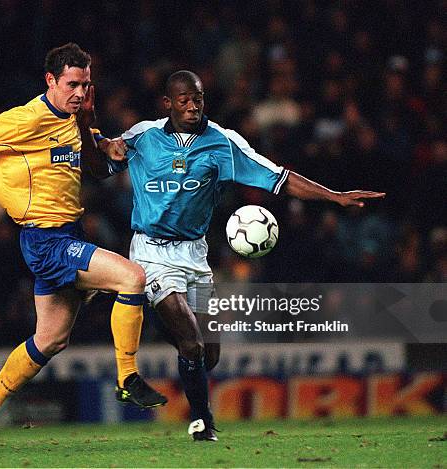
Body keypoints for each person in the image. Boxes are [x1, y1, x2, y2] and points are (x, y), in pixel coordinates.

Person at [102, 70, 385, 441]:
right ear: (167, 103)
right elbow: (102, 162)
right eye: (184, 99)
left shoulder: (223, 143)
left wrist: (334, 195)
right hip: (151, 253)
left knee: (209, 354)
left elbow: (279, 177)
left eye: (198, 98)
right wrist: (97, 137)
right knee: (190, 341)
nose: (192, 106)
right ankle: (202, 422)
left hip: (195, 257)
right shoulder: (142, 137)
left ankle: (164, 326)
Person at [0, 43, 166, 449]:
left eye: (86, 83)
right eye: (72, 84)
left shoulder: (71, 117)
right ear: (51, 81)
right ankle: (127, 377)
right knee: (132, 278)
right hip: (46, 240)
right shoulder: (25, 119)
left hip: (69, 234)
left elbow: (80, 145)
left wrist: (101, 143)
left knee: (50, 339)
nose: (81, 92)